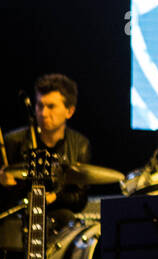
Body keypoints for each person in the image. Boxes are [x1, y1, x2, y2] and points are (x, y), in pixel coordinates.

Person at [0, 74, 91, 220]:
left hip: (58, 219)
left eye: (51, 107)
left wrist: (54, 197)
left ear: (70, 111)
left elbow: (79, 198)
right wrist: (6, 186)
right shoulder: (13, 142)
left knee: (67, 218)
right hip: (19, 218)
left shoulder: (80, 145)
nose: (43, 113)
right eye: (39, 105)